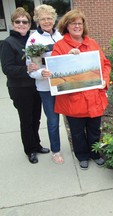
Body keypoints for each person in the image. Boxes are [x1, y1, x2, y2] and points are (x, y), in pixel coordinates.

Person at [50, 9, 111, 170]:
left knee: (94, 130)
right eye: (73, 23)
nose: (77, 26)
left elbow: (105, 64)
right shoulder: (60, 46)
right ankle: (82, 155)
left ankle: (95, 153)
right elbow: (56, 73)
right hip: (74, 99)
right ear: (66, 26)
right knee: (77, 132)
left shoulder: (92, 43)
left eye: (80, 23)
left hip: (94, 97)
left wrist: (104, 81)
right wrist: (68, 58)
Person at [0, 7, 50, 164]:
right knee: (26, 120)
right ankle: (30, 150)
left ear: (30, 24)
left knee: (36, 118)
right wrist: (26, 69)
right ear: (12, 23)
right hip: (20, 88)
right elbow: (7, 68)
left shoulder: (32, 40)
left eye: (25, 21)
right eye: (18, 21)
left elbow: (38, 60)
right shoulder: (8, 43)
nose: (21, 24)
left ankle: (37, 144)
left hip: (35, 86)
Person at [26, 4, 64, 164]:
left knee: (74, 117)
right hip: (46, 88)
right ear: (37, 21)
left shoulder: (61, 35)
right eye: (43, 19)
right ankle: (56, 151)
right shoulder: (34, 40)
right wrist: (42, 73)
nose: (47, 21)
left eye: (49, 18)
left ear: (54, 19)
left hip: (64, 84)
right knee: (53, 121)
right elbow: (32, 69)